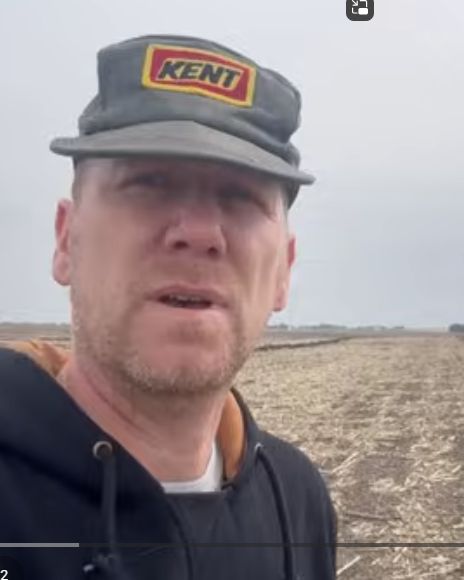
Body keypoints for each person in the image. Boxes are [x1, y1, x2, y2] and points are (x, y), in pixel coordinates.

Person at [0, 35, 336, 579]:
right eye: (150, 183)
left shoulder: (298, 502)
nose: (199, 233)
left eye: (240, 197)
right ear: (66, 241)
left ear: (283, 272)